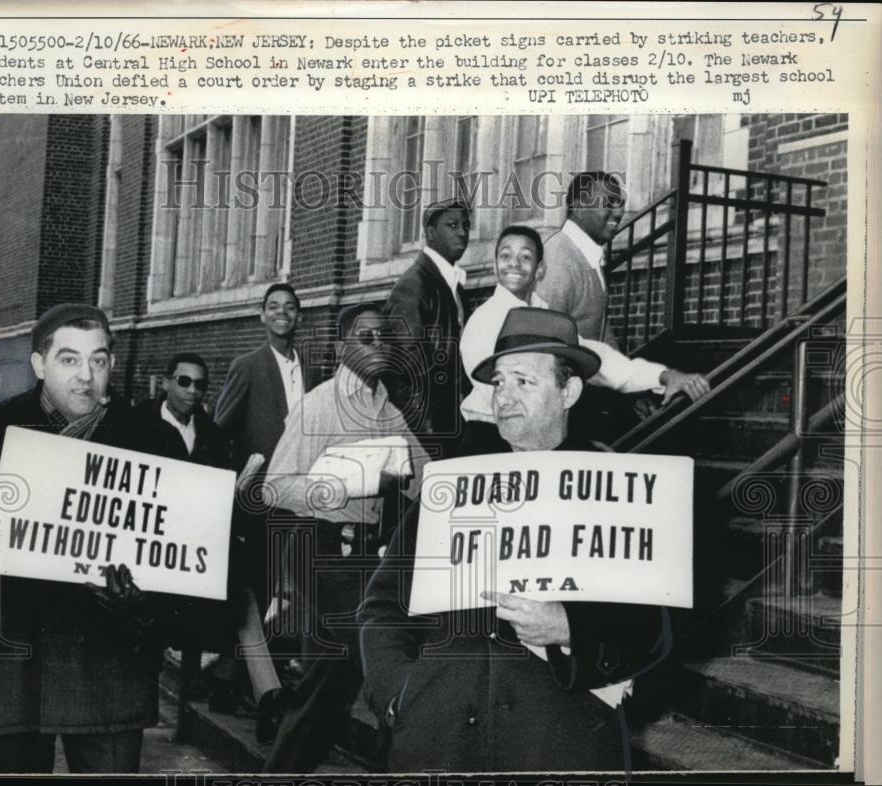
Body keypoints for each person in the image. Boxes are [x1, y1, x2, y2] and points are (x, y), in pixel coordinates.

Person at [358, 307, 673, 773]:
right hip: (439, 743)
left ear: (569, 391)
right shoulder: (457, 485)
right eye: (499, 382)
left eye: (524, 381)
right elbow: (383, 605)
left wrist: (570, 629)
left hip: (555, 747)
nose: (504, 396)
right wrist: (398, 695)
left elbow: (653, 631)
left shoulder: (616, 489)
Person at [0, 304, 165, 773]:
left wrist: (139, 601)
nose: (86, 375)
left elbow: (178, 562)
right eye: (69, 359)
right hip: (7, 668)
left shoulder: (153, 442)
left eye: (99, 360)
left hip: (109, 673)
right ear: (39, 364)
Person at [260, 303, 430, 772]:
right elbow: (275, 485)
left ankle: (281, 772)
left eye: (385, 340)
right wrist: (356, 481)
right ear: (341, 347)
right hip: (319, 547)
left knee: (328, 681)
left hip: (364, 557)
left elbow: (424, 477)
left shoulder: (386, 408)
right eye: (367, 338)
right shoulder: (318, 405)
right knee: (376, 658)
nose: (379, 347)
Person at [134, 352, 287, 743]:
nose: (192, 391)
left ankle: (269, 694)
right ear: (165, 381)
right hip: (149, 553)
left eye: (200, 385)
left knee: (245, 591)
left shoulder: (213, 434)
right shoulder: (136, 425)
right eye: (183, 381)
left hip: (199, 551)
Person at [460, 224, 711, 446]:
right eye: (505, 256)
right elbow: (514, 403)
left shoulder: (543, 314)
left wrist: (664, 376)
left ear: (540, 269)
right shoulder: (484, 321)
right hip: (491, 439)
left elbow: (597, 358)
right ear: (495, 266)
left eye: (525, 257)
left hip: (529, 437)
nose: (514, 263)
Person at [534, 172, 709, 437]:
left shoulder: (585, 256)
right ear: (580, 206)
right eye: (608, 202)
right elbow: (546, 347)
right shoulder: (558, 259)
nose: (619, 211)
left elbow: (599, 333)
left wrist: (631, 391)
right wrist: (655, 377)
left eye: (620, 202)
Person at [214, 283, 309, 612]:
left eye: (289, 307)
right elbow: (218, 430)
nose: (281, 312)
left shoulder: (311, 368)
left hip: (303, 492)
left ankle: (286, 656)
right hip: (261, 496)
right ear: (261, 315)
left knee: (300, 581)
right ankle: (245, 660)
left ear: (300, 316)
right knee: (259, 581)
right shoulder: (248, 365)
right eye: (273, 306)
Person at [383, 197, 472, 458]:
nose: (463, 232)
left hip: (453, 426)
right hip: (431, 436)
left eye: (466, 226)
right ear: (430, 233)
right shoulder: (414, 286)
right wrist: (431, 439)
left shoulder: (452, 282)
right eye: (452, 225)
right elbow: (403, 377)